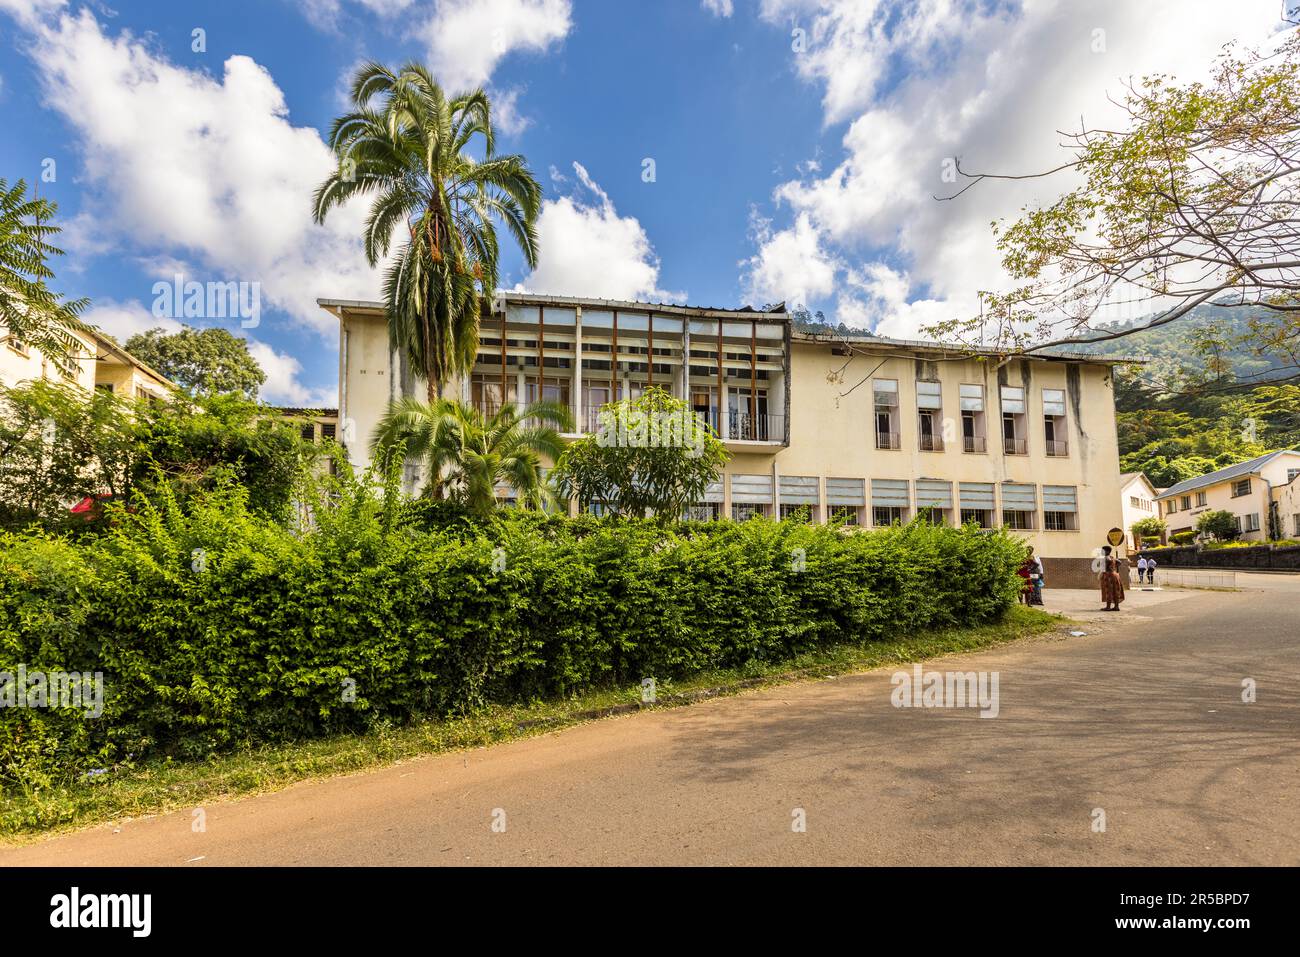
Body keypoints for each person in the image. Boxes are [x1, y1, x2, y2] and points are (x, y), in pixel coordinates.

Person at [1099, 545, 1125, 611]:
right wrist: (1114, 568)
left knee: (1109, 591)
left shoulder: (1105, 558)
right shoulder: (1112, 557)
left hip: (1108, 576)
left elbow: (1103, 567)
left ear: (1107, 551)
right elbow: (1119, 562)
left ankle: (1108, 607)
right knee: (1115, 590)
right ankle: (1116, 606)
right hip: (1115, 575)